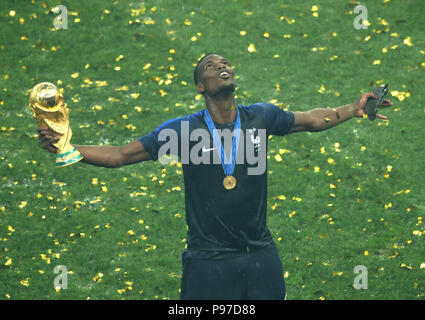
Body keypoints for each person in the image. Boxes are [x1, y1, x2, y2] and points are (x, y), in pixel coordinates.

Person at [37, 53, 393, 300]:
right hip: (208, 261)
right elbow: (119, 156)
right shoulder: (181, 131)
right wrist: (69, 149)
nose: (221, 66)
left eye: (224, 63)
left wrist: (354, 108)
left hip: (259, 254)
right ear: (200, 86)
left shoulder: (261, 118)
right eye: (210, 65)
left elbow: (314, 119)